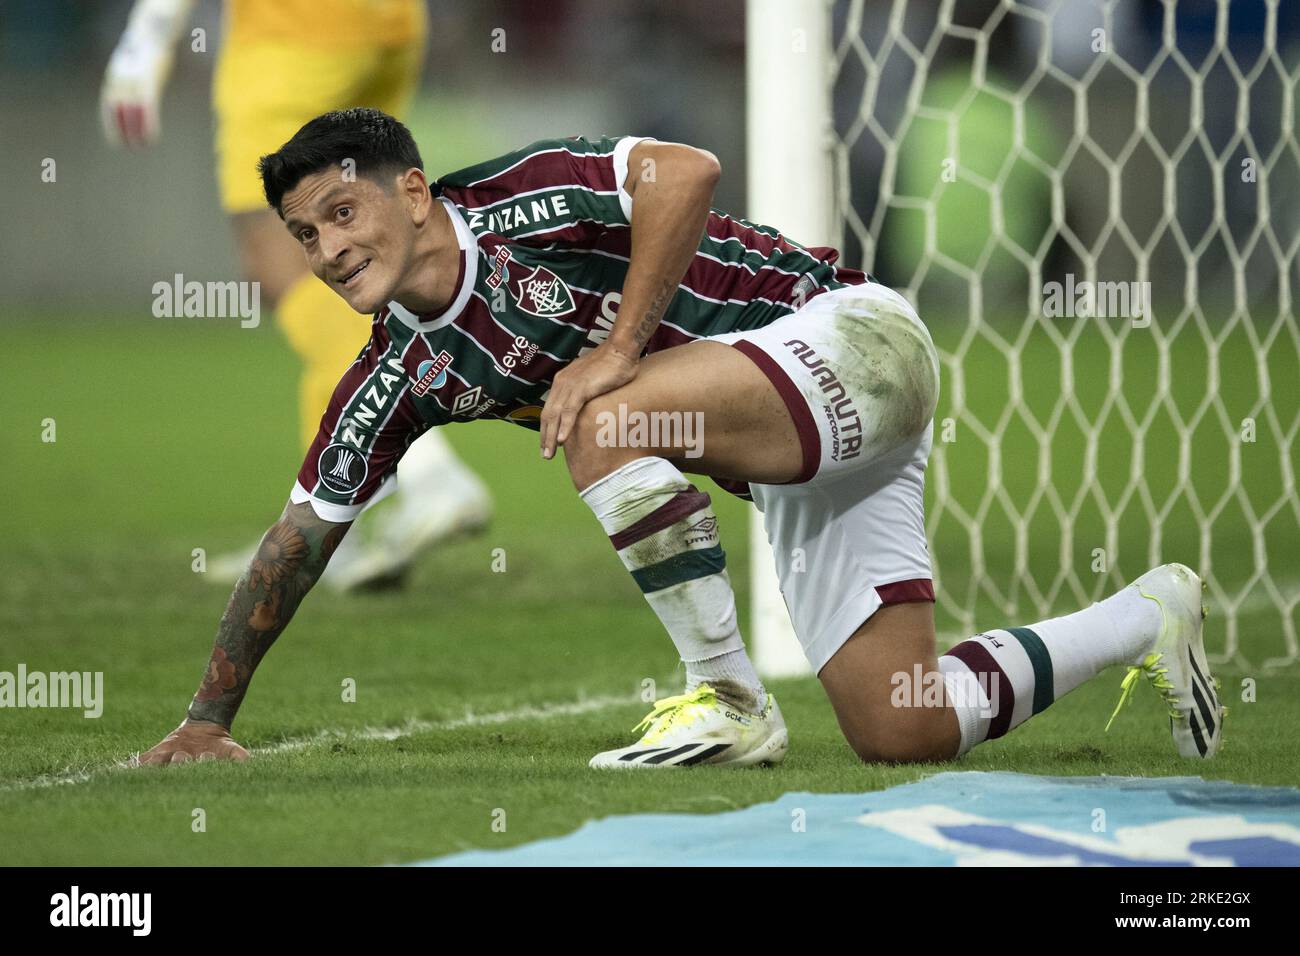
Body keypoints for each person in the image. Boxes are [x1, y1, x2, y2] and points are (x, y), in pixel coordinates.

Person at [137, 109, 1224, 768]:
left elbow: (688, 169)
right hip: (809, 452)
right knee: (903, 726)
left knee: (598, 410)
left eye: (341, 212)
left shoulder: (524, 196)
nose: (327, 249)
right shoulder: (394, 375)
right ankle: (1147, 614)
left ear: (413, 193)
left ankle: (734, 700)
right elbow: (300, 532)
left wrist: (611, 348)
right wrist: (204, 716)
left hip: (849, 338)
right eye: (304, 234)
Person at [101, 0, 491, 591]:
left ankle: (430, 475)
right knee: (362, 240)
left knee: (288, 259)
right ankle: (334, 520)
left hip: (293, 33)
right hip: (392, 25)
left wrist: (145, 37)